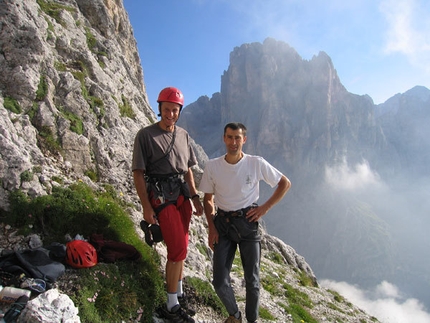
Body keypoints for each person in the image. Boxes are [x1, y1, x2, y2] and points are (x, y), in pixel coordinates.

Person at [199, 122, 291, 323]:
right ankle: (235, 315)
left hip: (248, 224)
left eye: (237, 138)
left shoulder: (256, 163)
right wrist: (211, 228)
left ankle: (251, 320)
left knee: (253, 281)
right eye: (230, 137)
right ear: (224, 138)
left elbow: (285, 183)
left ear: (244, 140)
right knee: (219, 280)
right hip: (222, 224)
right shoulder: (212, 166)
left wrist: (263, 208)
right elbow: (207, 199)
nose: (233, 142)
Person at [132, 86, 203, 322]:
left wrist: (195, 197)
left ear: (179, 111)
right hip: (161, 195)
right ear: (159, 109)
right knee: (177, 250)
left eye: (175, 110)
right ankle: (171, 306)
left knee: (183, 243)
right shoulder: (145, 135)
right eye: (167, 109)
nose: (171, 114)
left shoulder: (182, 135)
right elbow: (139, 173)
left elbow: (188, 170)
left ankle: (179, 294)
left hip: (181, 195)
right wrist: (146, 206)